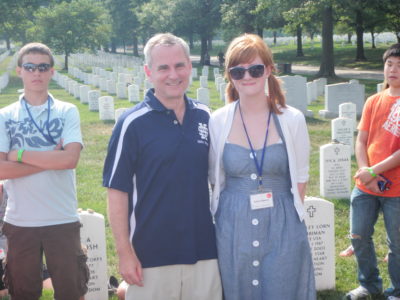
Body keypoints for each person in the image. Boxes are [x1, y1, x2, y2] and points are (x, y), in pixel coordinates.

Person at [103, 33, 222, 300]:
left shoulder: (205, 116)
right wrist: (124, 252)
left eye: (179, 65)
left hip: (203, 249)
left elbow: (219, 179)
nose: (173, 74)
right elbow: (117, 191)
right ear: (148, 72)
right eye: (163, 68)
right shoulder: (132, 123)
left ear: (189, 67)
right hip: (151, 253)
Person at [208, 33, 316, 300]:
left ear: (268, 69)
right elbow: (215, 179)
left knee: (283, 287)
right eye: (238, 71)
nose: (247, 76)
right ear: (229, 76)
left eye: (255, 68)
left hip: (282, 223)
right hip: (233, 224)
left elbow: (300, 177)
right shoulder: (218, 121)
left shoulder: (292, 120)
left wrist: (288, 224)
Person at [0, 42, 88, 300]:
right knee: (23, 293)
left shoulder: (67, 111)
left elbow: (70, 160)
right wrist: (52, 157)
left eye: (43, 66)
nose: (36, 72)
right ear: (20, 71)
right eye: (30, 67)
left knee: (72, 291)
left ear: (52, 71)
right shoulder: (4, 116)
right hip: (20, 221)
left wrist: (18, 155)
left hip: (61, 217)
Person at [345, 43, 400, 300]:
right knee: (359, 235)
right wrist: (364, 170)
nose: (393, 70)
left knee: (397, 244)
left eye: (399, 66)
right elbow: (361, 140)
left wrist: (374, 171)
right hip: (365, 184)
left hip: (396, 187)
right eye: (390, 64)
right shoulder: (373, 100)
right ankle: (369, 285)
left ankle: (397, 290)